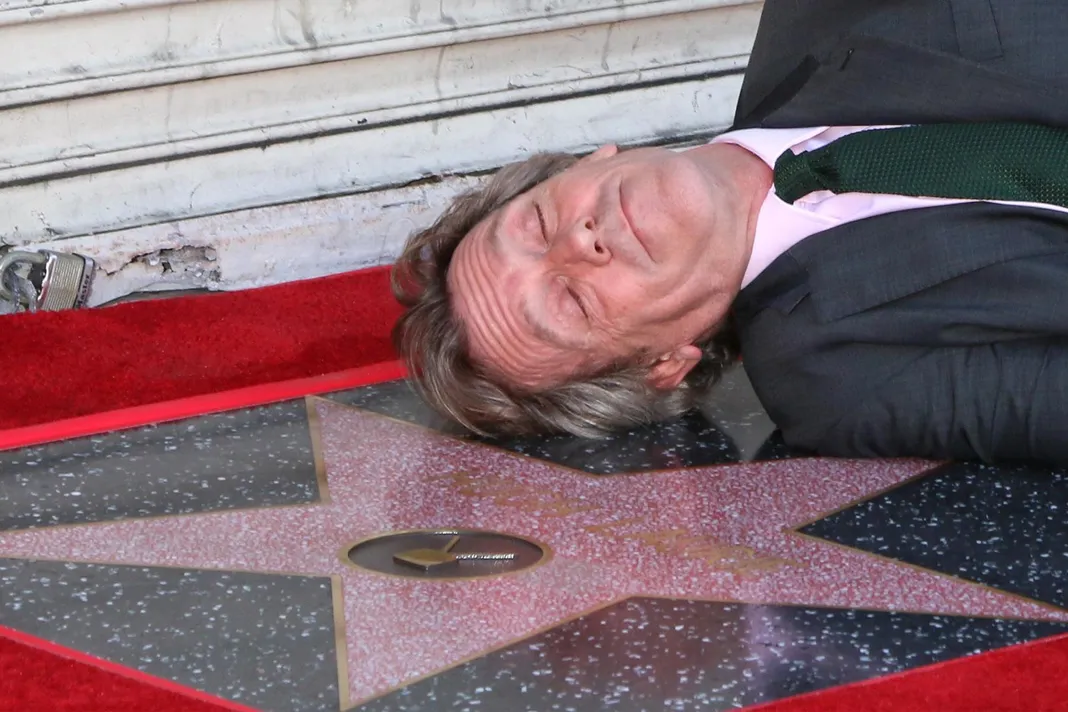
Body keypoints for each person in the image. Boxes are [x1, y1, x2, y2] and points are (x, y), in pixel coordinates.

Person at [391, 0, 1068, 465]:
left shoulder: (820, 18)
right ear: (663, 363)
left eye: (538, 221)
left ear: (586, 162)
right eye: (572, 300)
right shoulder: (842, 381)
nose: (579, 244)